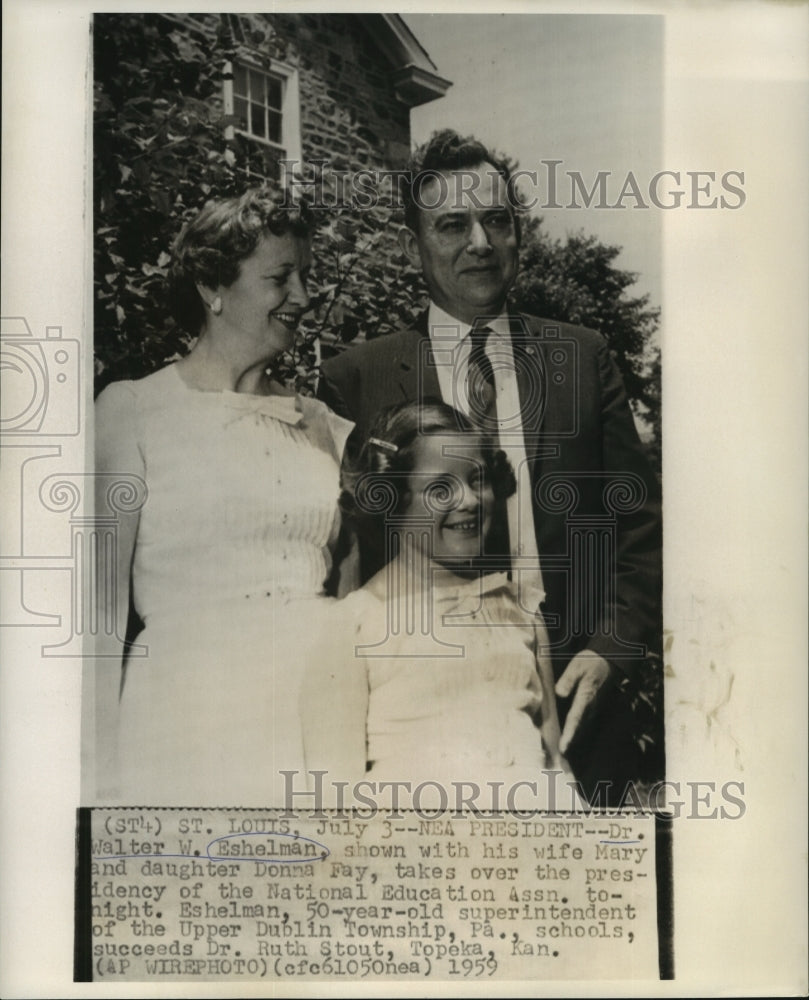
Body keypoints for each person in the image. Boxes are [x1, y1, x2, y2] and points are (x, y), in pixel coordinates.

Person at [318, 129, 663, 801]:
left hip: (580, 692)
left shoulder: (581, 359)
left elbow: (637, 526)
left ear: (516, 233)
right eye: (452, 224)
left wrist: (610, 651)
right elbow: (348, 554)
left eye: (496, 221)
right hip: (434, 705)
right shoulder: (355, 379)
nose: (479, 242)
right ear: (414, 243)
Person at [93, 187, 353, 806]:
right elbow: (93, 625)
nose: (305, 297)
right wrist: (90, 792)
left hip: (319, 716)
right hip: (189, 723)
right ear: (214, 287)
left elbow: (348, 587)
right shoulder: (134, 412)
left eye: (307, 276)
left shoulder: (321, 422)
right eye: (281, 277)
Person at [301, 402, 579, 811]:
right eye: (440, 488)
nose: (468, 500)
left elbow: (555, 765)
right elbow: (332, 799)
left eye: (478, 480)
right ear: (392, 498)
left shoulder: (521, 613)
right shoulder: (356, 624)